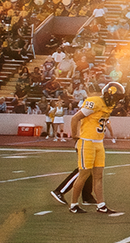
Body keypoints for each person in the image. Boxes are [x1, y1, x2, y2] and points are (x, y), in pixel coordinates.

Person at [50, 80, 123, 215]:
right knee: (83, 174)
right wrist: (75, 136)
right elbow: (75, 118)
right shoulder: (94, 101)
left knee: (98, 175)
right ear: (108, 94)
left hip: (98, 142)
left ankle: (101, 205)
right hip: (87, 142)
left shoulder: (109, 105)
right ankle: (73, 205)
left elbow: (103, 120)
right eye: (115, 97)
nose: (116, 101)